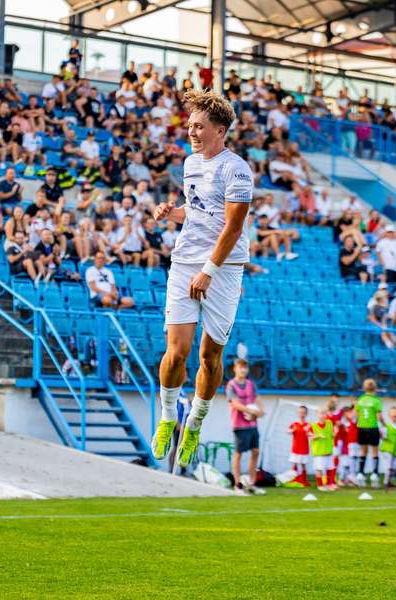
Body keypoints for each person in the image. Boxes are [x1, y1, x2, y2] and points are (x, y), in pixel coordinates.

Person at [149, 90, 253, 468]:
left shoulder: (236, 169)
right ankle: (167, 417)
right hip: (184, 263)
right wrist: (171, 212)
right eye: (190, 126)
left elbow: (232, 226)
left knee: (210, 356)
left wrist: (209, 272)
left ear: (220, 130)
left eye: (199, 126)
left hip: (222, 270)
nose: (191, 132)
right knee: (176, 352)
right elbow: (197, 213)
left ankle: (195, 421)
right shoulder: (191, 163)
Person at [226, 358, 264, 495]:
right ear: (235, 369)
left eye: (245, 367)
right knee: (238, 454)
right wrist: (251, 411)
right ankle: (237, 484)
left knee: (255, 452)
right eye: (240, 367)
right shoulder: (231, 385)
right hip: (239, 426)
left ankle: (251, 483)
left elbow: (258, 399)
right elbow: (235, 404)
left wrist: (260, 411)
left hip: (252, 424)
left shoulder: (251, 384)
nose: (243, 370)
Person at [354, 378, 383, 487]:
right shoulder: (376, 401)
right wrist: (384, 426)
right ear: (375, 388)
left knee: (363, 451)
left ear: (364, 388)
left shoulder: (360, 400)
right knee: (374, 452)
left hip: (361, 427)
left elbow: (356, 416)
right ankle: (374, 475)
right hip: (372, 428)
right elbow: (379, 417)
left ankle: (360, 474)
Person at [310, 407, 336, 492]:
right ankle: (320, 485)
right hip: (319, 452)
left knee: (330, 468)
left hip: (328, 451)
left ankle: (330, 484)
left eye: (324, 413)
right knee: (319, 469)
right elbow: (310, 436)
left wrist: (333, 434)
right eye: (321, 413)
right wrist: (317, 436)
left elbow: (332, 433)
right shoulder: (313, 425)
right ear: (317, 414)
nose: (322, 415)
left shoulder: (329, 423)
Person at [378, 406, 396, 488]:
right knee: (389, 467)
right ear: (389, 415)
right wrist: (381, 435)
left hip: (395, 450)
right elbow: (382, 435)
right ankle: (386, 482)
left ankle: (388, 480)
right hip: (387, 449)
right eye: (393, 413)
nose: (395, 415)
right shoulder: (387, 426)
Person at [287, 404, 312, 486]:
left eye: (304, 413)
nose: (302, 414)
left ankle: (304, 480)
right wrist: (292, 430)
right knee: (294, 463)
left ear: (306, 414)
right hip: (295, 448)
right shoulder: (294, 424)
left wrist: (308, 432)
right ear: (298, 413)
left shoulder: (308, 425)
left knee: (303, 465)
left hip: (304, 449)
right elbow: (288, 431)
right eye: (300, 412)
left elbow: (311, 434)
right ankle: (294, 479)